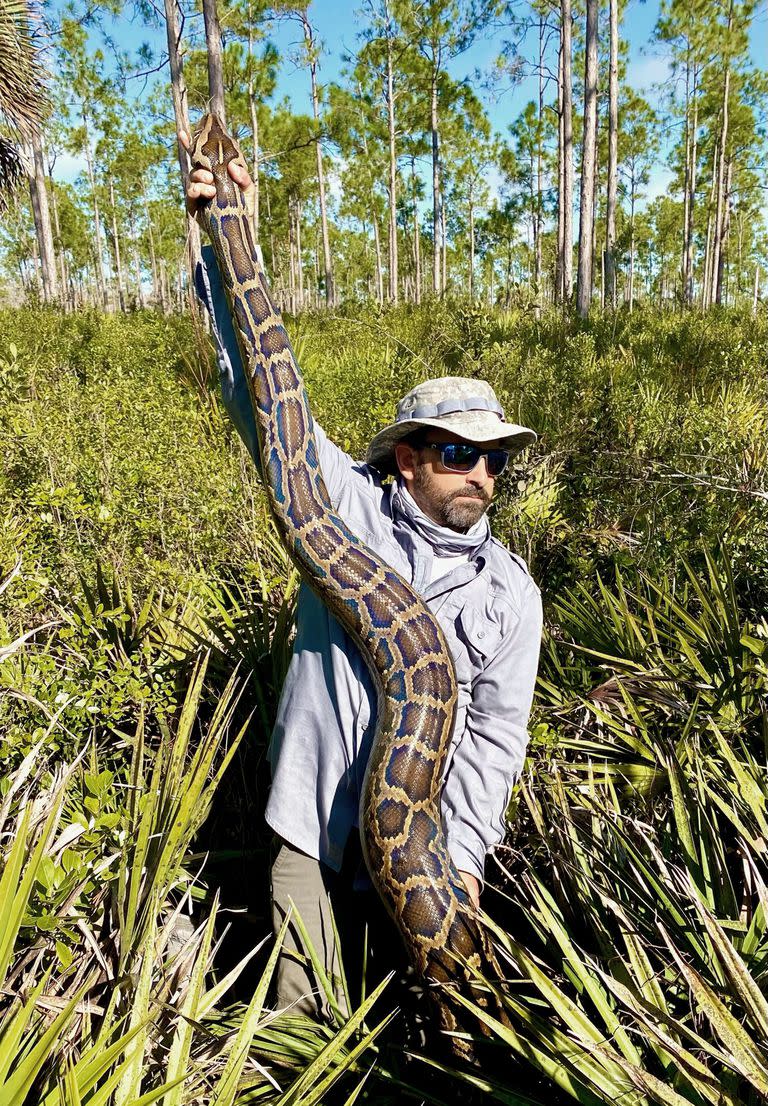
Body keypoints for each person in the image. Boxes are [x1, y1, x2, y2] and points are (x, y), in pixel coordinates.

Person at [185, 142, 543, 1020]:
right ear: (411, 457)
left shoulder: (511, 595)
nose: (482, 475)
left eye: (494, 459)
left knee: (424, 1037)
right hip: (311, 825)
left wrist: (455, 868)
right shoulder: (345, 506)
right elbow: (263, 391)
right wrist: (229, 234)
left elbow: (494, 745)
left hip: (425, 854)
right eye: (461, 454)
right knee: (301, 1025)